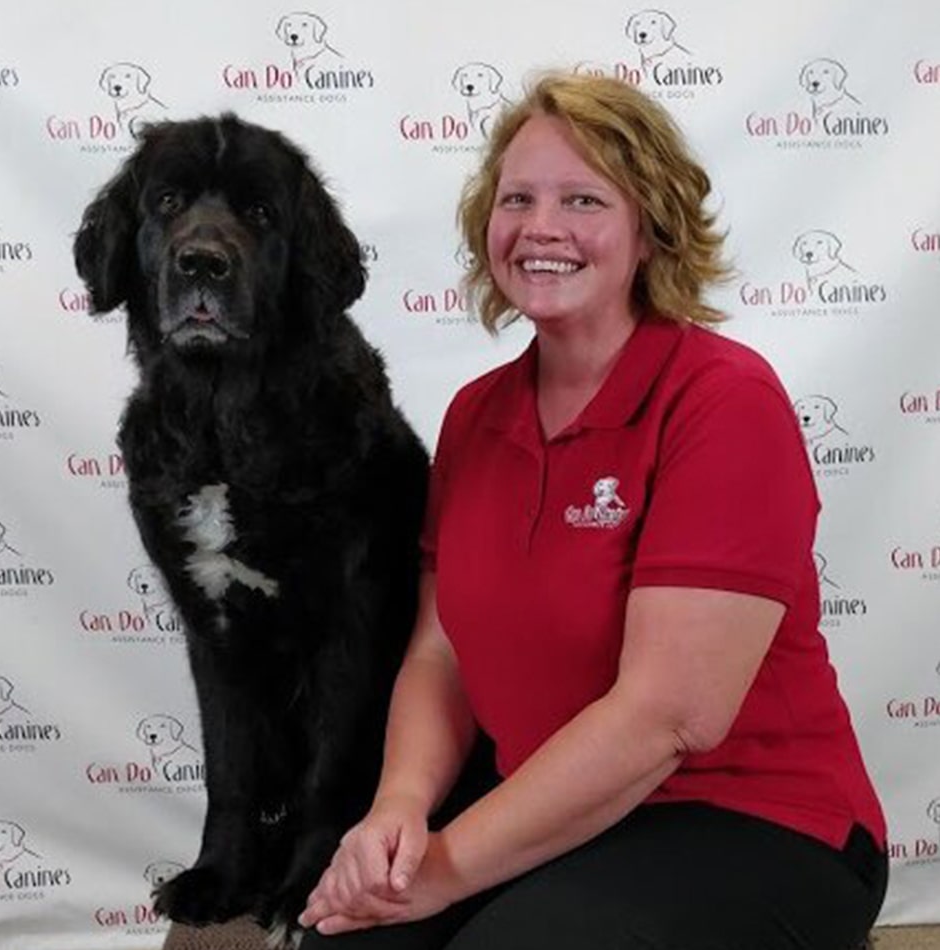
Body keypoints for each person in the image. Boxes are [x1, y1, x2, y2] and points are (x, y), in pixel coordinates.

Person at [297, 71, 887, 950]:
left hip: (750, 816)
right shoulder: (474, 415)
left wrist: (446, 869)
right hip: (542, 798)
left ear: (649, 230)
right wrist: (399, 812)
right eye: (518, 199)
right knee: (343, 938)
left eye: (583, 199)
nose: (542, 227)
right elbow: (440, 649)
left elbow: (668, 718)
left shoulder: (725, 402)